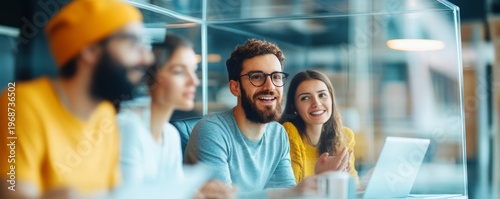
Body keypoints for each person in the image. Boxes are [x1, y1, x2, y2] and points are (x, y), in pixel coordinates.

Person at [0, 0, 152, 198]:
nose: (146, 58)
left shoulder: (105, 113)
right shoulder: (19, 102)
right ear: (90, 50)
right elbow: (13, 190)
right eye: (133, 43)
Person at [185, 39, 319, 198]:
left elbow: (287, 194)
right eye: (257, 77)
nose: (270, 87)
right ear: (235, 88)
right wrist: (291, 193)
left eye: (276, 77)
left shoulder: (278, 134)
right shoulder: (211, 131)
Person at [117, 34, 233, 198]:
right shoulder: (128, 128)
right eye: (179, 71)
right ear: (151, 77)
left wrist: (199, 194)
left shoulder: (170, 134)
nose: (194, 81)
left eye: (193, 71)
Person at [280, 70, 359, 183]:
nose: (316, 103)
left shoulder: (345, 136)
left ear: (331, 99)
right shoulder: (289, 132)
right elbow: (292, 191)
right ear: (294, 106)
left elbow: (353, 185)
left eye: (322, 95)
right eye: (305, 98)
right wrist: (324, 179)